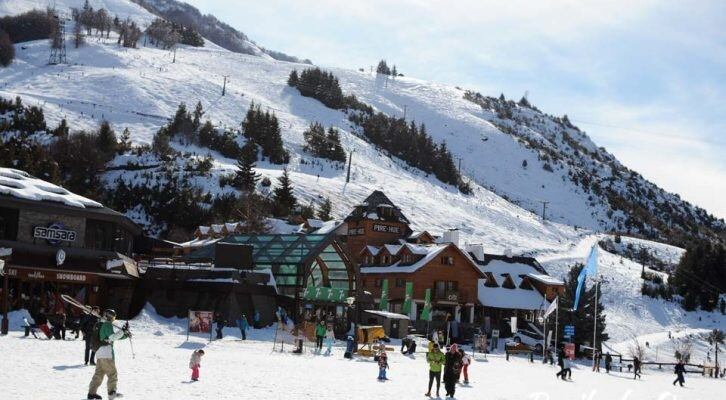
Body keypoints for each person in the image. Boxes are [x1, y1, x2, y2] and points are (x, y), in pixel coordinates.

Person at [87, 309, 131, 400]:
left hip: (100, 352)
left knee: (99, 373)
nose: (113, 319)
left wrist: (125, 334)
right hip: (106, 353)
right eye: (113, 317)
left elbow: (111, 337)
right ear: (110, 316)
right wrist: (123, 331)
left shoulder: (100, 324)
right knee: (112, 373)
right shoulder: (107, 325)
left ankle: (91, 393)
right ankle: (112, 392)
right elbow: (113, 337)